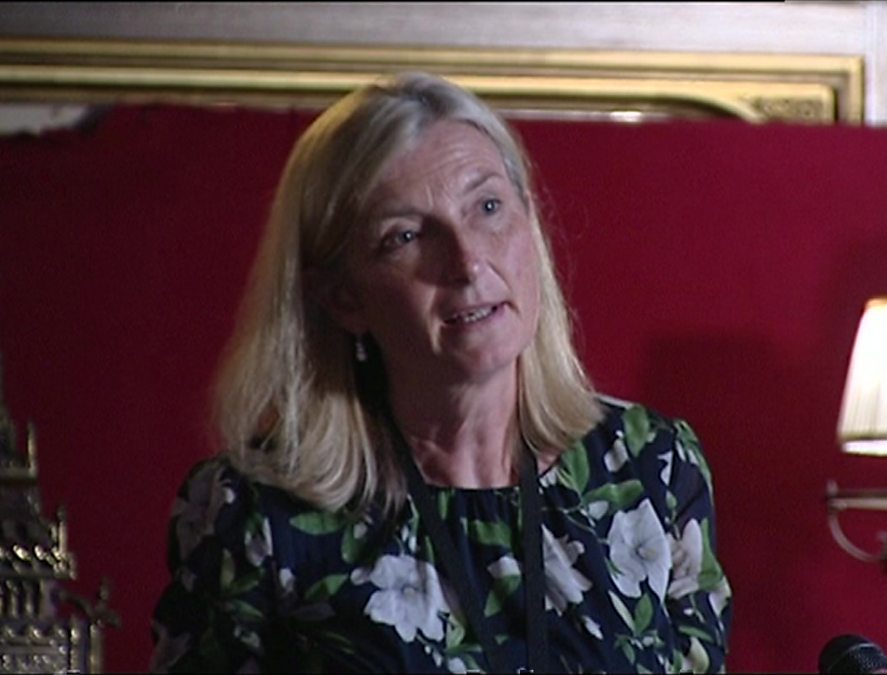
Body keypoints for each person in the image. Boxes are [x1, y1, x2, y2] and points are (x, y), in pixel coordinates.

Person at [150, 71, 732, 673]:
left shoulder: (650, 466)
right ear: (342, 297)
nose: (468, 261)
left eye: (488, 207)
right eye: (405, 236)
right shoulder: (254, 514)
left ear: (530, 225)